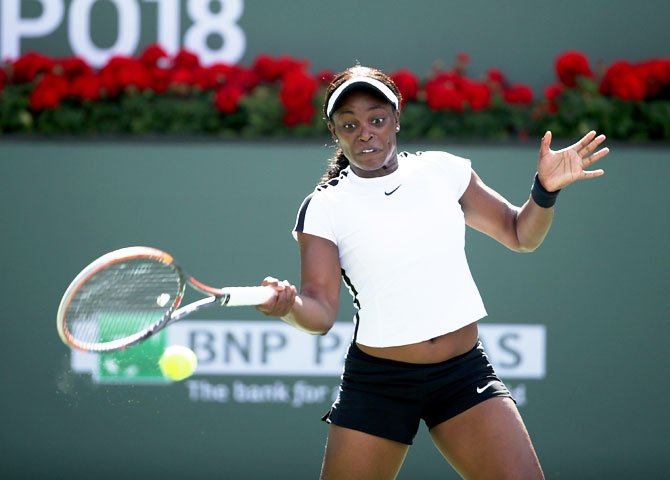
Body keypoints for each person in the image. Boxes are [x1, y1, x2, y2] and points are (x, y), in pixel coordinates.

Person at [256, 65, 608, 480]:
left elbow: (520, 234)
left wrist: (544, 191)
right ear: (335, 133)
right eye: (349, 124)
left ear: (396, 118)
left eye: (377, 118)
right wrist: (290, 305)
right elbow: (319, 312)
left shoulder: (443, 171)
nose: (364, 132)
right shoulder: (324, 206)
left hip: (463, 373)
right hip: (379, 383)